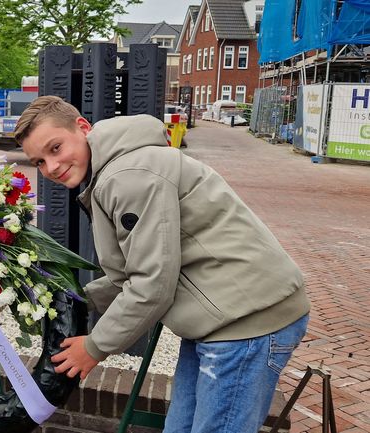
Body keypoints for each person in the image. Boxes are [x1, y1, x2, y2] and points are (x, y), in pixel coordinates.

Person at [15, 96, 310, 433]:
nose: (51, 167)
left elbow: (151, 284)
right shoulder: (117, 170)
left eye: (55, 148)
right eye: (39, 161)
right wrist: (74, 298)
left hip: (248, 321)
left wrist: (94, 348)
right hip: (220, 316)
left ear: (82, 128)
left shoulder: (127, 177)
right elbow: (136, 272)